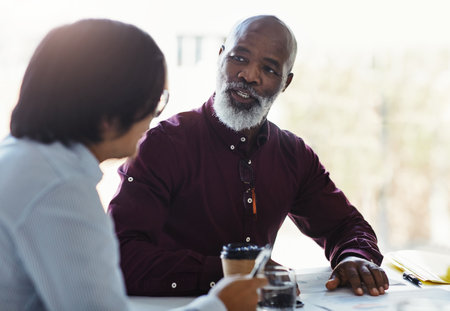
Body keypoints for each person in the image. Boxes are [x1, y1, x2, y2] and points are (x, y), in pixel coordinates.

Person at [109, 14, 390, 298]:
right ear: (220, 57)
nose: (249, 76)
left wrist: (355, 257)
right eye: (239, 59)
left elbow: (346, 226)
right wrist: (230, 274)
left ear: (285, 83)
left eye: (268, 69)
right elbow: (119, 255)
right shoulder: (162, 146)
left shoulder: (293, 155)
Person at [0, 19, 267, 311]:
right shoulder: (58, 188)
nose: (155, 116)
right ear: (108, 107)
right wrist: (219, 305)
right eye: (156, 99)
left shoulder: (23, 159)